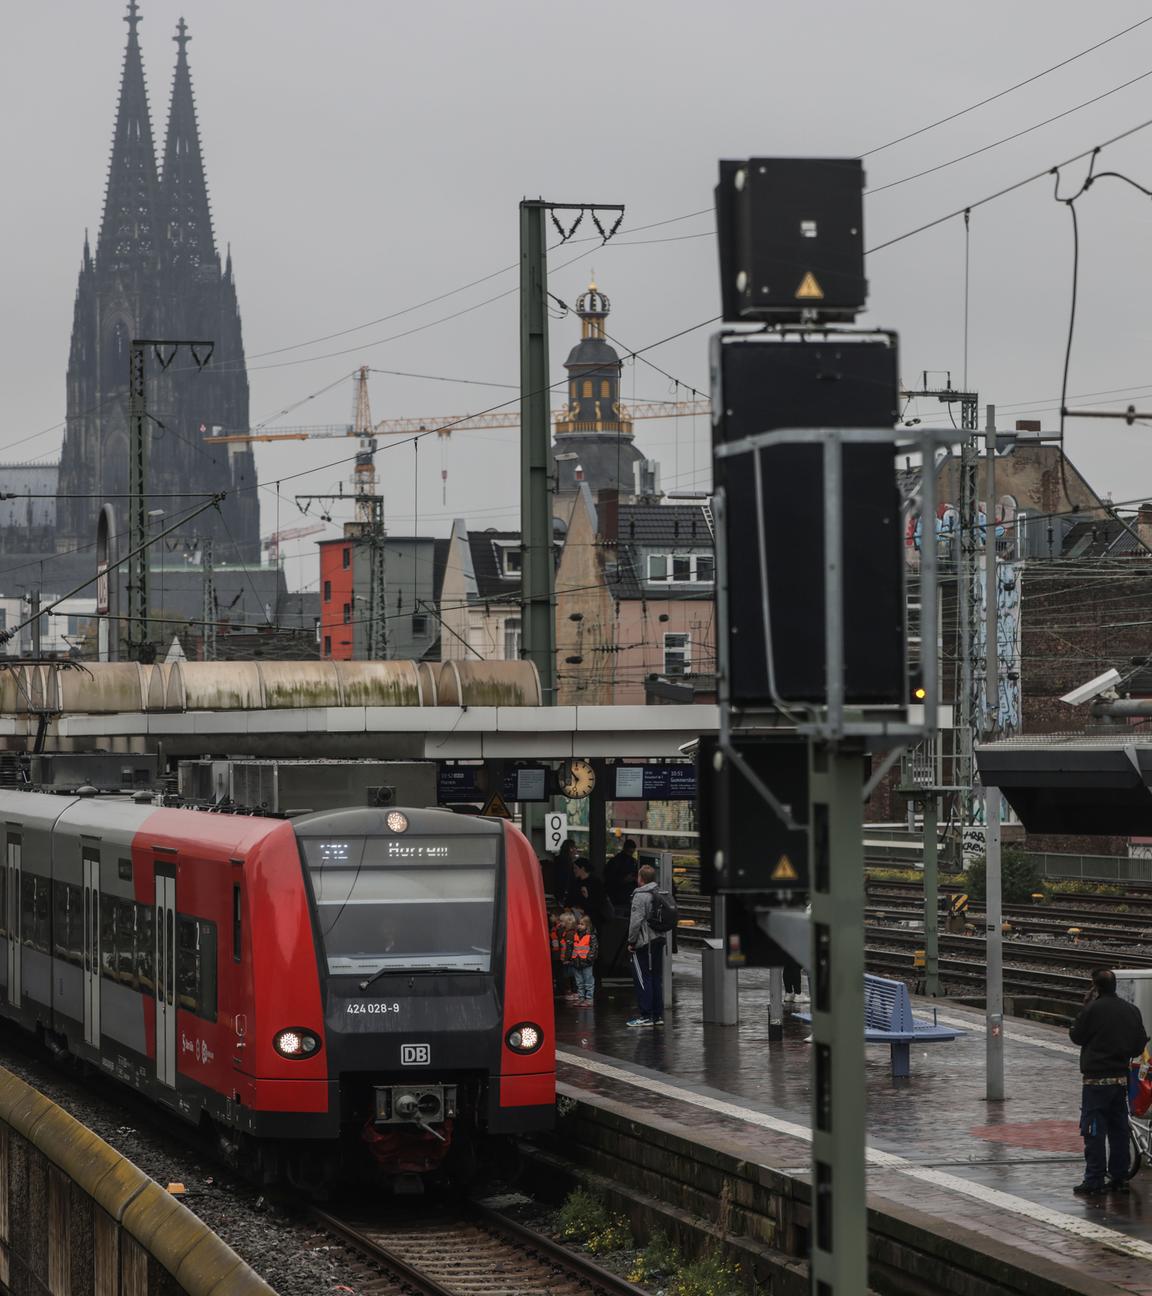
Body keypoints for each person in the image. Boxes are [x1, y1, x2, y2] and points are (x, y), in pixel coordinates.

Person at [1068, 967, 1148, 1195]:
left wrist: (1085, 1008)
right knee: (1119, 1130)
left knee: (1093, 1129)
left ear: (1096, 987)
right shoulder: (1131, 1010)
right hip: (1121, 1079)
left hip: (1096, 1081)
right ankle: (1120, 1178)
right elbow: (1139, 1043)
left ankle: (1094, 1180)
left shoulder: (1092, 1010)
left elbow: (1077, 1036)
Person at [626, 863, 665, 1027]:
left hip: (644, 942)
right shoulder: (659, 893)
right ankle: (657, 1015)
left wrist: (631, 942)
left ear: (640, 879)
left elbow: (635, 923)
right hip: (658, 940)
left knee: (643, 978)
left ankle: (646, 1015)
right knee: (656, 977)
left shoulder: (640, 896)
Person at [567, 914, 599, 1006]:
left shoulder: (591, 936)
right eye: (579, 924)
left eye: (582, 924)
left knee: (588, 981)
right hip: (576, 962)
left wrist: (589, 959)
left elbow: (594, 949)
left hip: (586, 963)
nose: (579, 926)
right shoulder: (575, 935)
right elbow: (571, 948)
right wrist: (570, 959)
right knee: (579, 982)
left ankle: (589, 999)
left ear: (587, 925)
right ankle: (581, 998)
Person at [605, 838, 639, 909]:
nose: (629, 855)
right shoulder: (617, 862)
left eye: (631, 853)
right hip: (619, 896)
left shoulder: (616, 860)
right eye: (629, 852)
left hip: (621, 896)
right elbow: (609, 878)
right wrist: (623, 880)